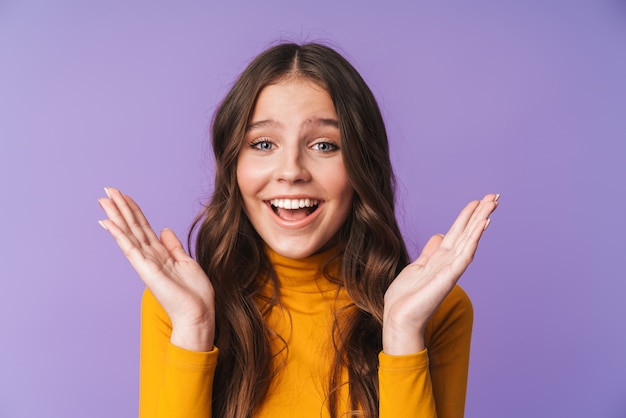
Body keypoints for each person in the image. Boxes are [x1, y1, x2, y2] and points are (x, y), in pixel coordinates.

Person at [98, 42, 499, 418]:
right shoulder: (177, 308)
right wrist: (196, 326)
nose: (291, 171)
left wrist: (402, 334)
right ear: (233, 166)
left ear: (363, 166)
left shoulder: (439, 310)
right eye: (263, 144)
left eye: (324, 145)